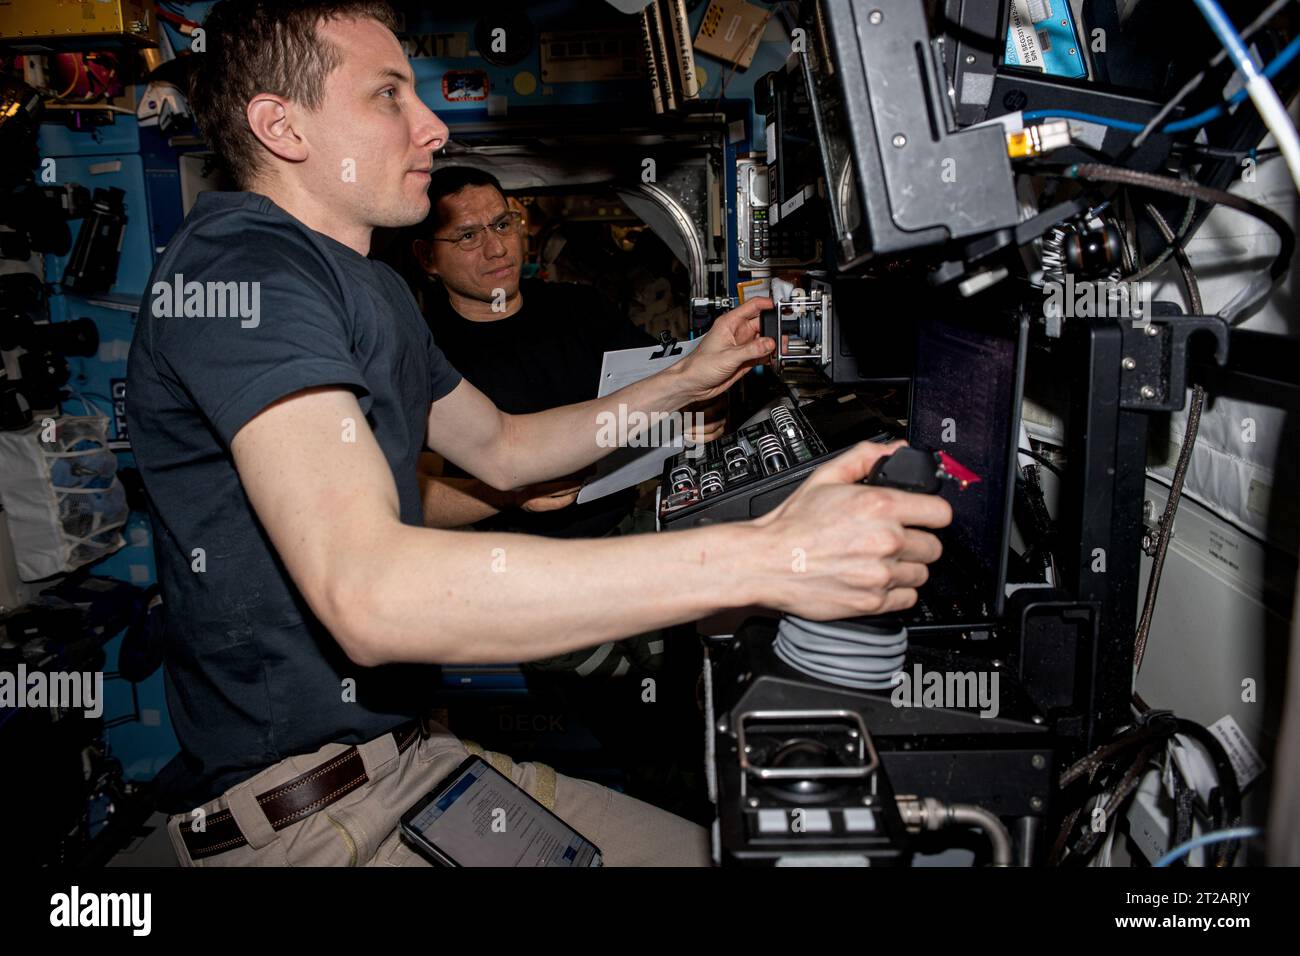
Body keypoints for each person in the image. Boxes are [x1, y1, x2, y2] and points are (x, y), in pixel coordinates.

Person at [126, 0, 951, 867]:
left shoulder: (367, 289)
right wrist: (776, 555)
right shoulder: (245, 270)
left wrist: (685, 380)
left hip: (417, 761)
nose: (433, 126)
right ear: (280, 126)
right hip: (315, 820)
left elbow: (507, 448)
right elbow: (370, 597)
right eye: (388, 96)